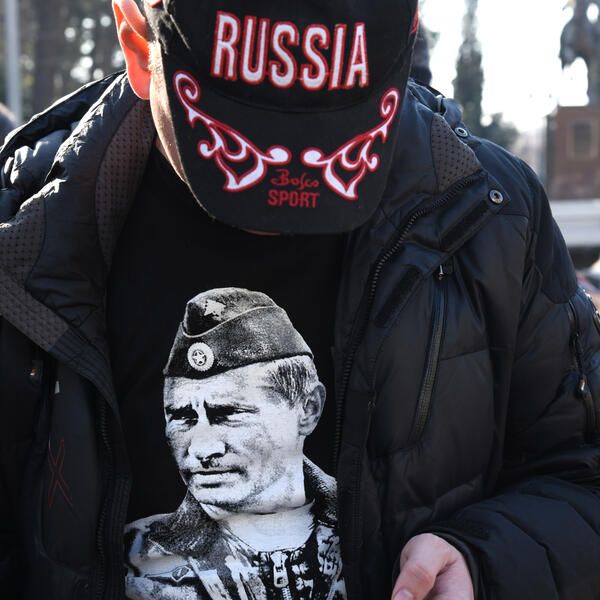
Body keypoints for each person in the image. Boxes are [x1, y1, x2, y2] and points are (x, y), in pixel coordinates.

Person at [0, 0, 598, 599]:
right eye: (241, 138)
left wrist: (484, 563)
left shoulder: (492, 222)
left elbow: (581, 475)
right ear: (137, 38)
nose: (290, 174)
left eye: (333, 131)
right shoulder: (25, 241)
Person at [124, 287, 346, 599]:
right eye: (182, 416)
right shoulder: (132, 555)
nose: (201, 449)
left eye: (228, 414)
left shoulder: (373, 523)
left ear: (308, 409)